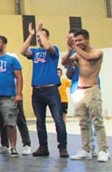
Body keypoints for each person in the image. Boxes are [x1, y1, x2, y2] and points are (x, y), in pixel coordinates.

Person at [19, 22, 67, 158]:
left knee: (58, 120)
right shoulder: (34, 52)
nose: (39, 39)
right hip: (37, 91)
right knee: (40, 121)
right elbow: (22, 51)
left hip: (51, 89)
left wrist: (40, 31)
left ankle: (62, 147)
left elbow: (49, 47)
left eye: (42, 36)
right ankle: (43, 147)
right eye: (38, 38)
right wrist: (31, 35)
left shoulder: (53, 50)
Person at [64, 29, 108, 162]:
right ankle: (86, 150)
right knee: (83, 122)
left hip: (92, 90)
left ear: (87, 39)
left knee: (97, 122)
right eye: (76, 40)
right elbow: (64, 63)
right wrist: (69, 49)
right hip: (79, 90)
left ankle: (103, 150)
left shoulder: (97, 52)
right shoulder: (76, 54)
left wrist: (74, 47)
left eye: (80, 40)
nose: (78, 43)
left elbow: (88, 58)